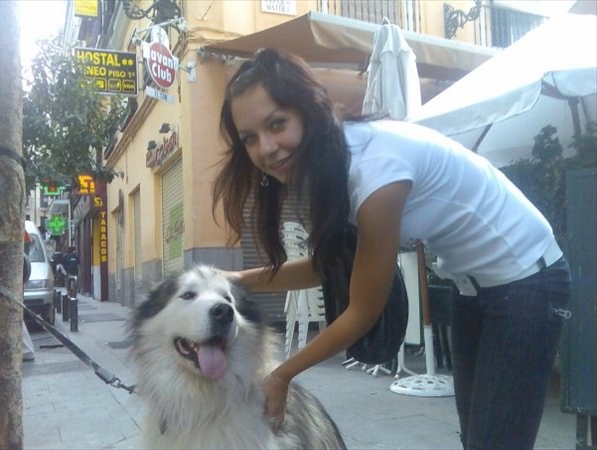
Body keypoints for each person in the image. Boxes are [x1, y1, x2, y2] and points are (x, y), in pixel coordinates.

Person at [212, 48, 571, 450]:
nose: (265, 148)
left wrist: (281, 375)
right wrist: (237, 280)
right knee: (477, 434)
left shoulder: (374, 169)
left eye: (277, 124)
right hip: (471, 287)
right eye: (249, 138)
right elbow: (329, 266)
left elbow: (363, 310)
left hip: (528, 281)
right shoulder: (334, 164)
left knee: (497, 441)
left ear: (309, 110)